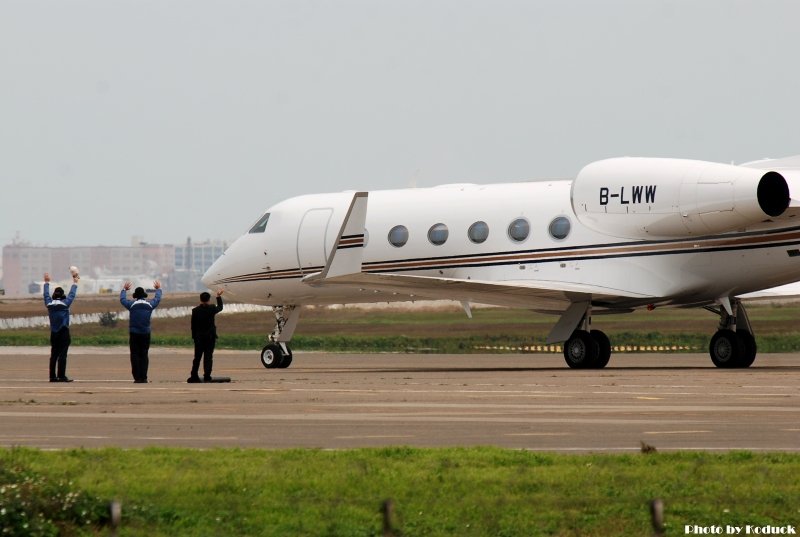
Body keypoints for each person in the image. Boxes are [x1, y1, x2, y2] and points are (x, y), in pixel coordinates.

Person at [120, 280, 162, 383]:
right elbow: (157, 299)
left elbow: (122, 300)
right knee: (144, 354)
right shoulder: (149, 305)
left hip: (134, 333)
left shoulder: (131, 304)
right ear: (144, 295)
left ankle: (137, 377)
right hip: (146, 333)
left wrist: (124, 290)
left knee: (134, 355)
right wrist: (158, 289)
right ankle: (144, 377)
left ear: (135, 296)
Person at [43, 271, 79, 382]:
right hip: (63, 332)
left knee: (53, 355)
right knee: (62, 355)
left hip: (54, 333)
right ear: (63, 295)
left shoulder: (49, 304)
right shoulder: (65, 304)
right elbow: (72, 294)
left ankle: (52, 376)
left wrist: (46, 282)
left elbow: (46, 295)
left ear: (54, 295)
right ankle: (61, 375)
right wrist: (75, 283)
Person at [188, 290, 224, 383]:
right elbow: (220, 307)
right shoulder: (212, 308)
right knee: (208, 357)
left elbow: (193, 325)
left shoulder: (195, 311)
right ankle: (207, 376)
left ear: (200, 299)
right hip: (210, 337)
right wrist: (218, 296)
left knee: (197, 357)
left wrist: (194, 337)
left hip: (199, 338)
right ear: (208, 300)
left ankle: (193, 375)